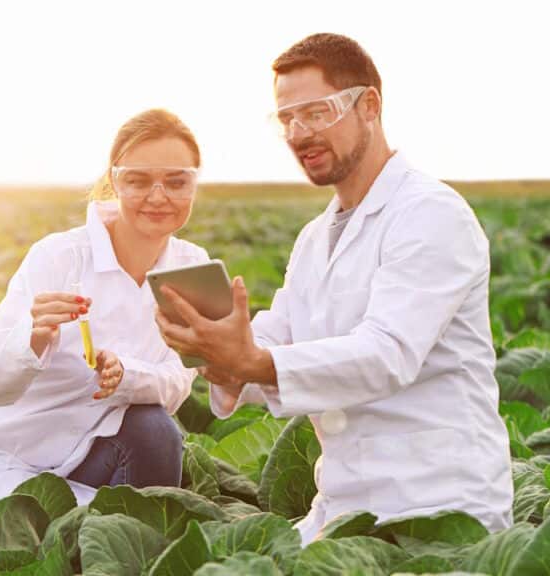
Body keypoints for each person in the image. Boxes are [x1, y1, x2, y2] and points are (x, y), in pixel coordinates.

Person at [155, 33, 512, 544]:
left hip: (436, 510)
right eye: (287, 119)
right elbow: (273, 344)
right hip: (344, 507)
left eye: (316, 112)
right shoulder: (313, 238)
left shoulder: (432, 214)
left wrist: (252, 362)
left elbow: (387, 353)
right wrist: (217, 353)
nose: (299, 132)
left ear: (369, 105)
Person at [0, 109, 211, 505]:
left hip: (91, 452)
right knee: (37, 529)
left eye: (177, 182)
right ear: (114, 182)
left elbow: (179, 380)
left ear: (194, 185)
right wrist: (31, 337)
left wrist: (126, 376)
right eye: (138, 180)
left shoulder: (193, 265)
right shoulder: (59, 256)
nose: (158, 197)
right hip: (7, 457)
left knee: (155, 429)